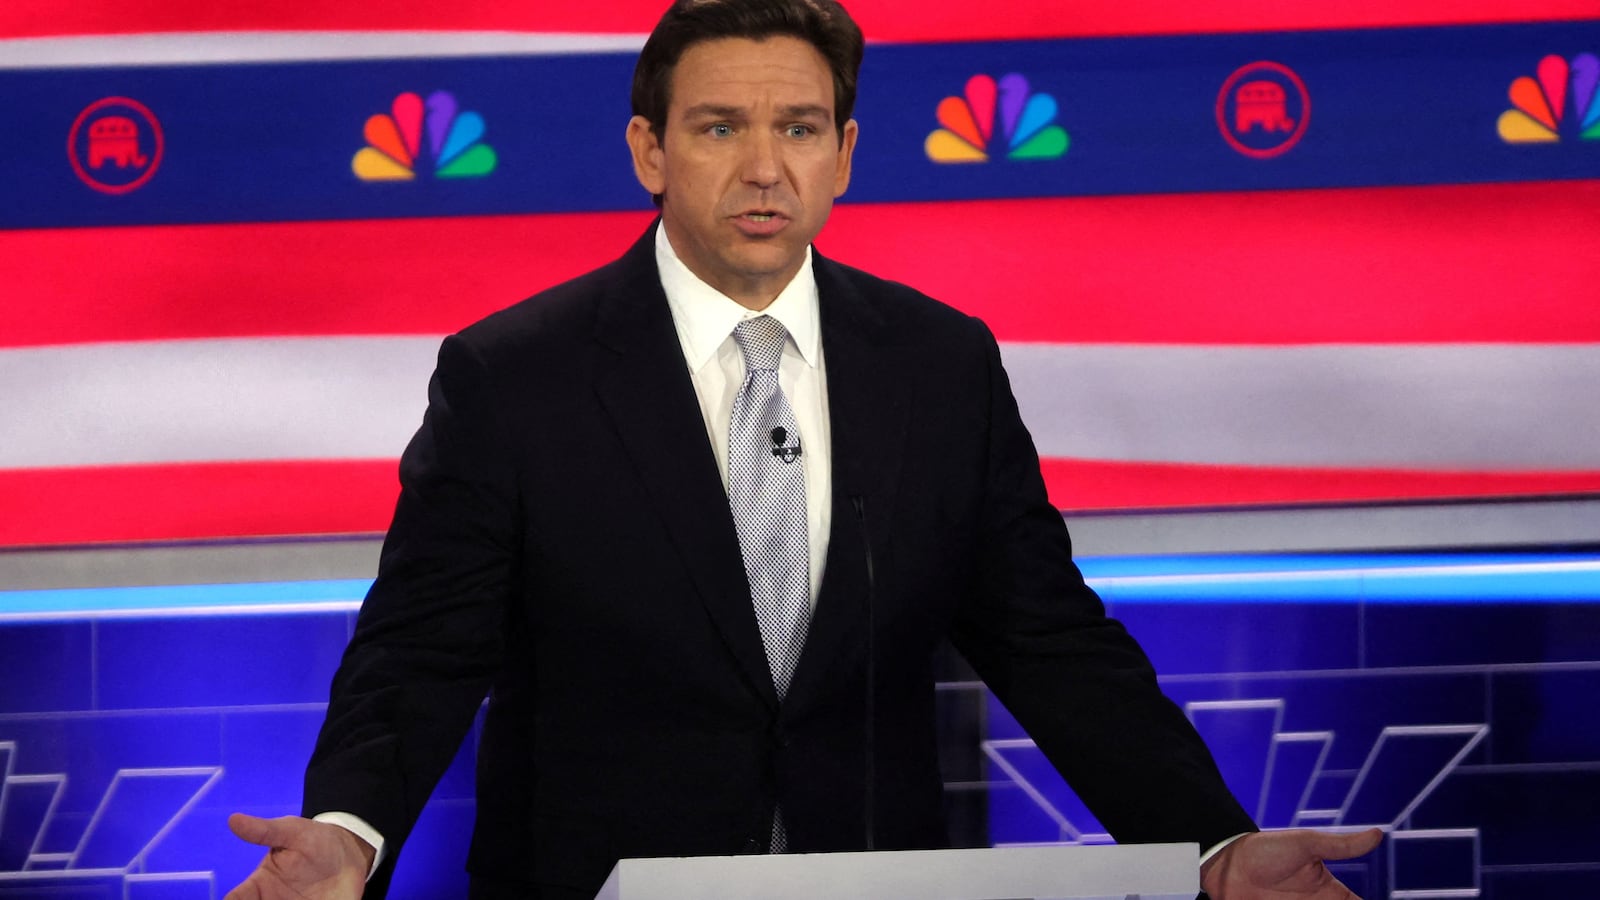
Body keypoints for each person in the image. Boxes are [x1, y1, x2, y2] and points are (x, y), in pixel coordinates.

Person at [226, 1, 1381, 897]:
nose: (764, 167)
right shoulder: (513, 375)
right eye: (720, 128)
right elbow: (421, 650)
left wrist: (1214, 840)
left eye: (799, 128)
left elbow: (1051, 642)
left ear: (844, 152)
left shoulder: (939, 364)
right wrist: (351, 832)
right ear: (649, 149)